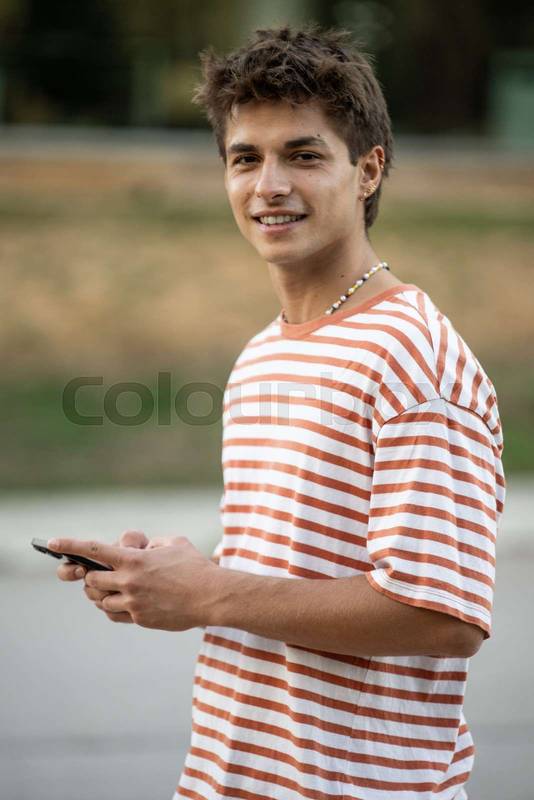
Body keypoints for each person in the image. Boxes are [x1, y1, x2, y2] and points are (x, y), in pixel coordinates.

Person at [51, 24, 506, 800]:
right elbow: (291, 574)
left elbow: (443, 614)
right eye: (245, 158)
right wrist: (168, 578)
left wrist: (206, 595)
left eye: (303, 154)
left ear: (368, 171)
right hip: (232, 777)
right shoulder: (266, 351)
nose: (268, 185)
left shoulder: (412, 356)